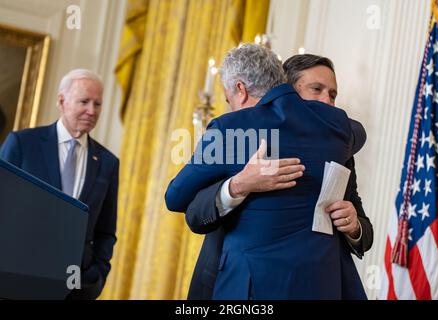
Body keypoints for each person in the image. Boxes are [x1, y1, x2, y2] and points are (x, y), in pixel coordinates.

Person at [165, 44, 367, 299]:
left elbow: (174, 197)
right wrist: (239, 184)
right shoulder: (339, 130)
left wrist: (355, 226)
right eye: (317, 90)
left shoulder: (232, 128)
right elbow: (359, 133)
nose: (327, 101)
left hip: (253, 287)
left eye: (332, 94)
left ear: (240, 89)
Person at [0, 69, 119, 300]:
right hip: (14, 278)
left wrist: (97, 275)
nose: (91, 111)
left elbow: (106, 230)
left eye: (98, 104)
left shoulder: (108, 162)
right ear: (61, 101)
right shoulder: (22, 144)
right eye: (84, 101)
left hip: (74, 287)